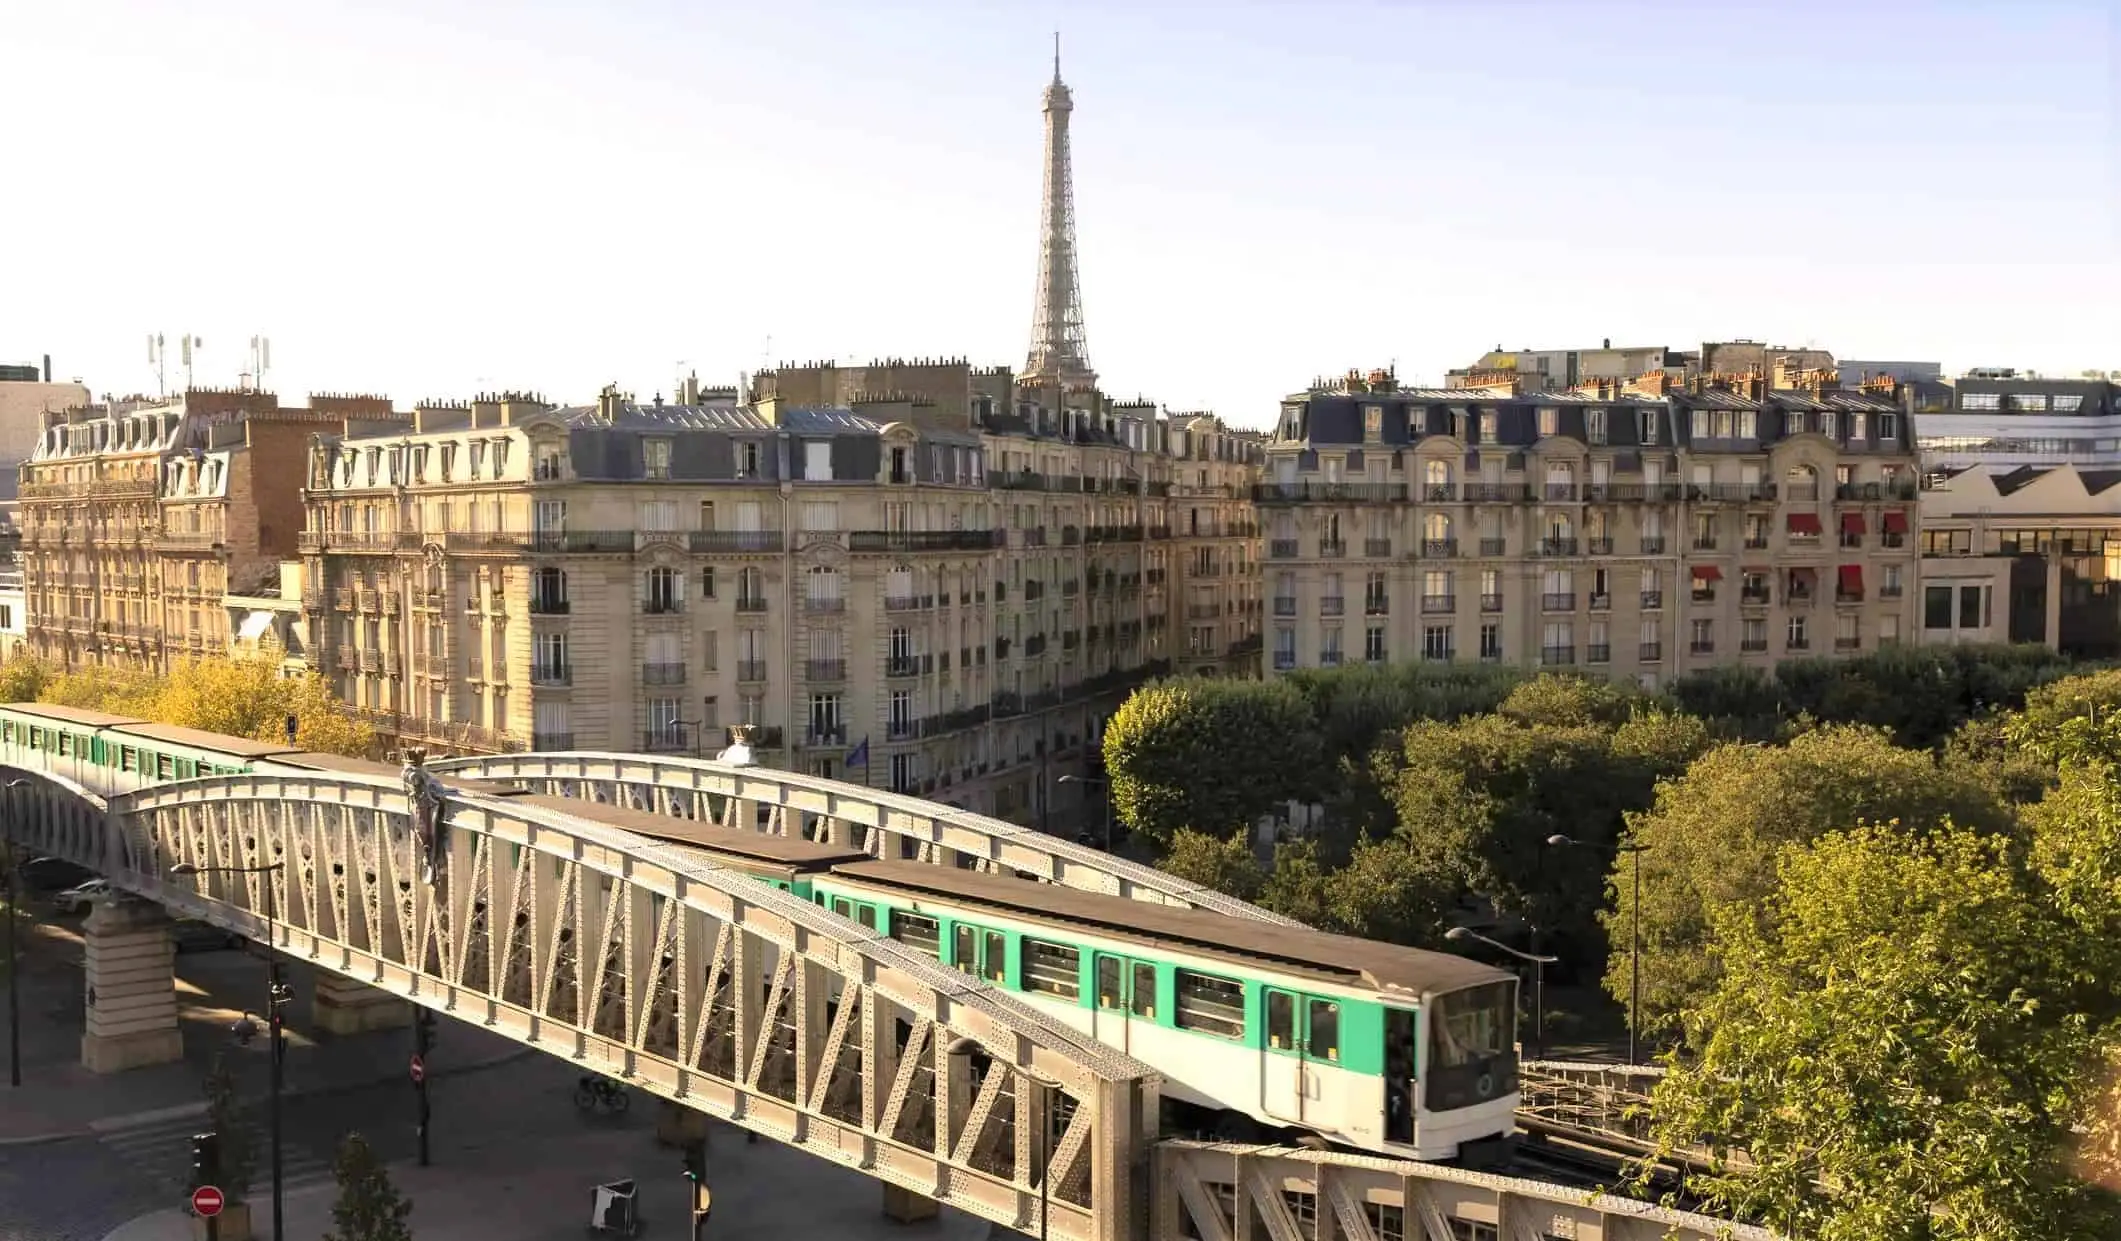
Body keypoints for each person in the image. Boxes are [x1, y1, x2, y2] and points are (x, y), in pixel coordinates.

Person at [401, 747, 448, 884]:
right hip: (422, 809)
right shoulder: (417, 779)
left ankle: (431, 856)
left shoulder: (426, 781)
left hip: (426, 808)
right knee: (421, 829)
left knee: (423, 829)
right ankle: (430, 856)